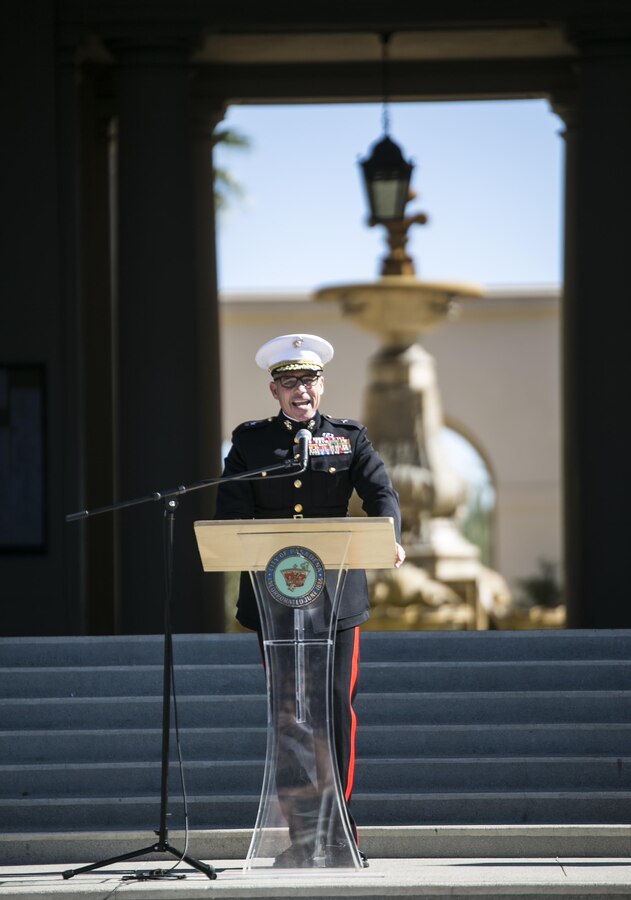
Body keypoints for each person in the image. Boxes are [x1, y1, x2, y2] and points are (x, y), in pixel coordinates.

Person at [215, 332, 404, 867]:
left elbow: (381, 492)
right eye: (291, 382)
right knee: (291, 715)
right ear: (274, 389)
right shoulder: (250, 443)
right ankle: (302, 838)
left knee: (335, 709)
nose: (303, 390)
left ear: (323, 385)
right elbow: (230, 513)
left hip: (337, 598)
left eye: (311, 380)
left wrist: (389, 533)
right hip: (275, 600)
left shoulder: (348, 439)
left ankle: (340, 831)